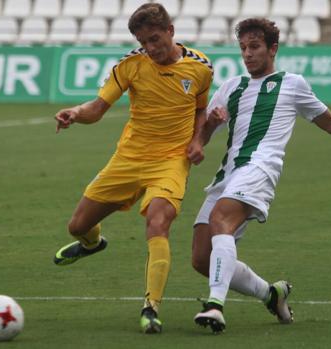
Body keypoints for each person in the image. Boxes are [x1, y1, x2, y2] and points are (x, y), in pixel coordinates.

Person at [192, 17, 331, 333]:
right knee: (202, 258)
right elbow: (199, 137)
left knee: (221, 220)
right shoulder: (231, 87)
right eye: (243, 48)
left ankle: (215, 306)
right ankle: (272, 294)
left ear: (273, 48)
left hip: (259, 169)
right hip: (227, 174)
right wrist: (209, 127)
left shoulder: (292, 84)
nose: (247, 54)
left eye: (254, 46)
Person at [52, 3, 213, 334]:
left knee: (158, 222)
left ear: (170, 30)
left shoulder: (200, 68)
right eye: (144, 42)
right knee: (77, 225)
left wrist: (198, 141)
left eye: (155, 39)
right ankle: (92, 243)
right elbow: (98, 107)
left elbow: (201, 109)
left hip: (170, 161)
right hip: (128, 159)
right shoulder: (129, 64)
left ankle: (151, 307)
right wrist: (75, 113)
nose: (151, 49)